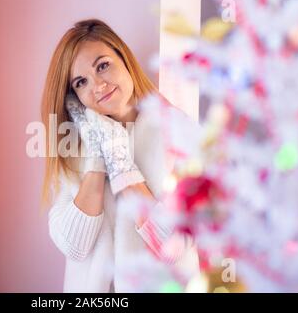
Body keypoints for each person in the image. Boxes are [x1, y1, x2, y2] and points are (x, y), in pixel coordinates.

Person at [40, 18, 200, 292]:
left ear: (123, 57)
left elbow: (174, 244)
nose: (98, 85)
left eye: (103, 65)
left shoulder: (178, 131)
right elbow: (74, 246)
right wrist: (98, 153)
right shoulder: (72, 147)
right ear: (74, 96)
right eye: (81, 82)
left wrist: (121, 165)